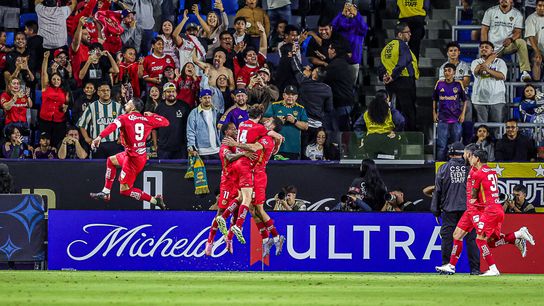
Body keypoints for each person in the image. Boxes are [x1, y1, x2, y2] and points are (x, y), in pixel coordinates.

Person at [436, 149, 536, 276]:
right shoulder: (488, 171)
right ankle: (451, 265)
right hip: (474, 209)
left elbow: (473, 194)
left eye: (470, 155)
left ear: (476, 158)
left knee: (485, 241)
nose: (468, 158)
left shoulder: (478, 173)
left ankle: (497, 263)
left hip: (484, 209)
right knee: (457, 235)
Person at [215, 105, 282, 245]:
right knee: (250, 204)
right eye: (265, 119)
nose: (266, 122)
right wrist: (278, 141)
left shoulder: (257, 133)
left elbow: (254, 147)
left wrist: (235, 143)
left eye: (269, 121)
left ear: (273, 127)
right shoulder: (262, 132)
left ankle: (271, 238)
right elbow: (277, 137)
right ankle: (238, 226)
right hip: (249, 168)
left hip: (255, 173)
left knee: (255, 208)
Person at [89, 98, 169, 208]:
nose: (125, 105)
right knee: (111, 161)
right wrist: (153, 114)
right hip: (136, 155)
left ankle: (155, 200)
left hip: (132, 159)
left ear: (133, 107)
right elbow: (165, 122)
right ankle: (106, 192)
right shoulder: (147, 119)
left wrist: (99, 137)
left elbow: (112, 126)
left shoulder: (124, 118)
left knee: (125, 191)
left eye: (128, 104)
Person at [431, 142, 480, 274]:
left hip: (449, 209)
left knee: (447, 239)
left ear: (450, 153)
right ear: (463, 154)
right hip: (468, 210)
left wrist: (435, 210)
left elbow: (437, 191)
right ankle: (475, 269)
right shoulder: (471, 169)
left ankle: (446, 267)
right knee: (471, 239)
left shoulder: (443, 168)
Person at [205, 122, 251, 255]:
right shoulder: (224, 146)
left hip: (239, 182)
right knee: (220, 214)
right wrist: (243, 155)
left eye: (236, 129)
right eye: (233, 129)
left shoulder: (237, 145)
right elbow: (229, 158)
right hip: (227, 183)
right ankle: (210, 242)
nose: (236, 131)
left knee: (236, 215)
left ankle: (229, 240)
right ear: (226, 132)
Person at [379, 23, 419, 131]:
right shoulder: (402, 45)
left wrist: (384, 76)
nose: (410, 34)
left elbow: (382, 65)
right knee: (408, 111)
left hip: (390, 83)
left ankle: (396, 133)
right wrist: (393, 75)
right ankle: (411, 136)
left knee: (393, 110)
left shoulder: (386, 48)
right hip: (404, 81)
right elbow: (404, 61)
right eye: (407, 32)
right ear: (400, 34)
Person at [481, 0, 531, 82]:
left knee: (521, 42)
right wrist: (485, 47)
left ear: (511, 1)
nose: (504, 0)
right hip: (492, 47)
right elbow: (484, 30)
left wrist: (511, 39)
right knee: (486, 74)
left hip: (507, 46)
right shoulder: (490, 11)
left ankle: (525, 72)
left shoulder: (517, 14)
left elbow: (518, 32)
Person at [77, 82, 124, 159]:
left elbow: (125, 124)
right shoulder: (92, 106)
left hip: (114, 143)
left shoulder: (118, 107)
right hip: (98, 144)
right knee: (98, 168)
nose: (105, 92)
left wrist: (121, 137)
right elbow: (82, 124)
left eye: (107, 90)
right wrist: (87, 138)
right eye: (103, 90)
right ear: (98, 92)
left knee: (114, 168)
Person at [433, 63, 468, 161]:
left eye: (449, 70)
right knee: (441, 146)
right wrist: (434, 113)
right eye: (445, 70)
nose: (446, 72)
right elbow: (434, 99)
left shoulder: (458, 84)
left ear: (454, 72)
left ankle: (455, 165)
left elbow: (465, 100)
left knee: (456, 146)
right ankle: (440, 167)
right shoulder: (439, 84)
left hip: (456, 119)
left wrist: (463, 114)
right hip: (442, 119)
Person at [264, 85, 309, 160]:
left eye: (293, 95)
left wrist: (294, 121)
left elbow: (306, 126)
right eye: (288, 94)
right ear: (283, 95)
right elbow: (263, 120)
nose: (290, 96)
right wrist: (276, 120)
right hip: (275, 147)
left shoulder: (300, 109)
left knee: (292, 171)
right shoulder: (275, 105)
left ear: (296, 97)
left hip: (293, 148)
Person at [471, 41, 507, 123]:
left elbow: (501, 76)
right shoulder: (475, 62)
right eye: (482, 47)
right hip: (479, 101)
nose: (483, 48)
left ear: (492, 51)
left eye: (486, 47)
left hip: (497, 100)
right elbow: (477, 72)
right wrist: (489, 60)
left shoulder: (500, 62)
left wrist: (487, 69)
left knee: (496, 130)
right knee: (481, 129)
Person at [331, 1, 368, 81]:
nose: (350, 11)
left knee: (351, 87)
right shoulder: (341, 24)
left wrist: (356, 14)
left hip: (353, 61)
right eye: (348, 9)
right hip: (340, 61)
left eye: (352, 9)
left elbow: (364, 29)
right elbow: (332, 28)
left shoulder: (358, 26)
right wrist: (341, 14)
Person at [324, 41, 356, 132]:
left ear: (333, 51)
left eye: (329, 48)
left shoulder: (334, 65)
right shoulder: (344, 63)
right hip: (347, 102)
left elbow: (324, 83)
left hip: (340, 105)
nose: (328, 51)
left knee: (339, 132)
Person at [153, 82, 191, 159]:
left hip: (181, 148)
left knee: (180, 171)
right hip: (164, 149)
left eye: (173, 91)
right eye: (168, 91)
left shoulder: (184, 106)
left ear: (176, 93)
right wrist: (155, 145)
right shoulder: (159, 108)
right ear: (164, 94)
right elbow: (154, 129)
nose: (171, 94)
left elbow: (191, 127)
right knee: (164, 170)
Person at [41, 51, 69, 148]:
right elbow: (44, 73)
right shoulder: (46, 88)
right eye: (54, 79)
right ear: (50, 80)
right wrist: (45, 59)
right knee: (45, 144)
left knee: (57, 144)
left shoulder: (64, 91)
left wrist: (66, 107)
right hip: (45, 121)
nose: (56, 81)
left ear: (61, 81)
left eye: (58, 79)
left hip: (59, 121)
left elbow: (67, 104)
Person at [186, 89, 221, 160]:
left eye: (209, 97)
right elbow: (190, 131)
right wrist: (191, 147)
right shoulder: (194, 113)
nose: (207, 100)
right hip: (202, 151)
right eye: (205, 98)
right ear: (200, 99)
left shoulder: (216, 111)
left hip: (216, 149)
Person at [525, 0, 544, 80]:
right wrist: (537, 51)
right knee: (537, 60)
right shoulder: (531, 18)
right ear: (536, 7)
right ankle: (537, 85)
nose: (542, 8)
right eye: (539, 5)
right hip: (534, 49)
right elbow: (531, 37)